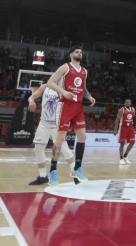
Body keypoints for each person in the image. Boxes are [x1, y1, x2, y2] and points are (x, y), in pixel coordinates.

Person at [44, 46, 96, 185]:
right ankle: (53, 171)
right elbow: (50, 83)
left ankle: (77, 168)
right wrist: (63, 91)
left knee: (83, 136)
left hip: (77, 107)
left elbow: (83, 88)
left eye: (81, 52)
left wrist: (90, 97)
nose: (80, 53)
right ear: (71, 54)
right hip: (64, 105)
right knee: (60, 139)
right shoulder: (65, 67)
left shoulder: (84, 71)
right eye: (77, 52)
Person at [26, 81, 76, 185]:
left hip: (57, 125)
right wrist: (31, 101)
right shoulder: (45, 87)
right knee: (38, 149)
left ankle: (76, 174)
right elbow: (32, 96)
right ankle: (43, 176)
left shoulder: (64, 89)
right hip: (43, 123)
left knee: (64, 149)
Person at [113, 98, 136, 165]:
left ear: (130, 103)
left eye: (129, 102)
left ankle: (125, 156)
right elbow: (117, 119)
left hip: (130, 127)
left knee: (132, 142)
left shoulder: (133, 110)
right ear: (125, 103)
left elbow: (133, 118)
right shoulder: (122, 110)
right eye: (127, 102)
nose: (128, 103)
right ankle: (121, 158)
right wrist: (115, 129)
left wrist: (134, 127)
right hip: (123, 127)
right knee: (122, 143)